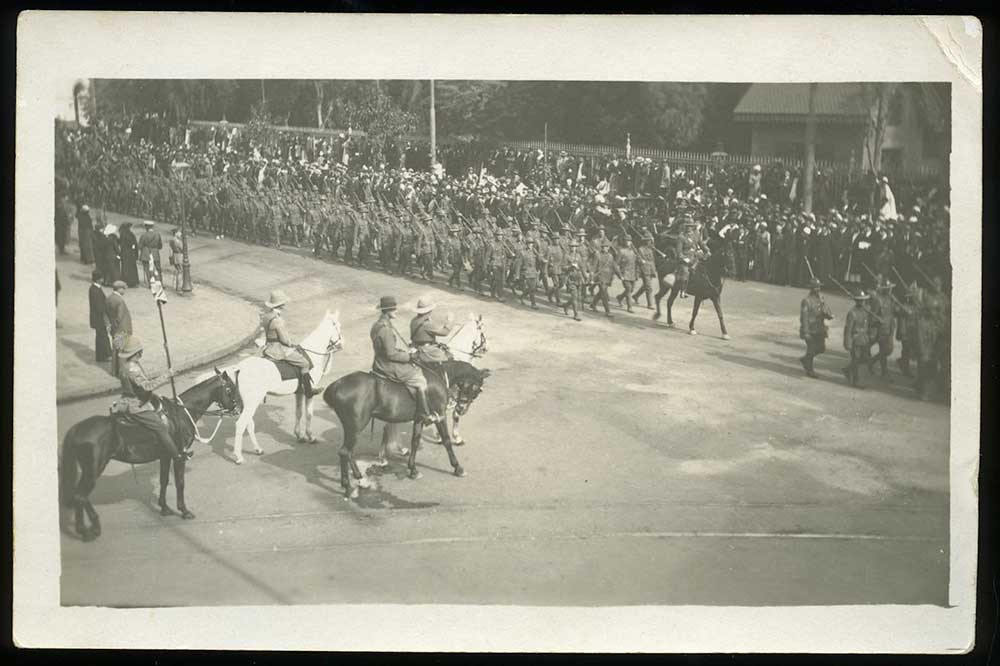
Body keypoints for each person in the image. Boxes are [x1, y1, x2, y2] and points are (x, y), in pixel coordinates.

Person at [112, 335, 185, 463]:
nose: (142, 352)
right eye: (140, 350)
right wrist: (167, 374)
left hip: (131, 397)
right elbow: (147, 386)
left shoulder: (126, 365)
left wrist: (165, 347)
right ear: (137, 352)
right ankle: (177, 456)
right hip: (137, 405)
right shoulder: (133, 369)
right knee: (160, 426)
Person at [371, 295, 439, 425]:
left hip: (379, 361)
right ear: (388, 311)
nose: (396, 311)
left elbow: (387, 349)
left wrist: (403, 352)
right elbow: (390, 354)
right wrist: (410, 356)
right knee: (420, 379)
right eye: (394, 309)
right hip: (387, 365)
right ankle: (425, 414)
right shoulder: (385, 329)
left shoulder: (377, 325)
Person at [260, 290, 320, 396]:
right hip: (278, 349)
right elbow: (284, 340)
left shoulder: (266, 316)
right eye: (283, 303)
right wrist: (291, 343)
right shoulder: (278, 320)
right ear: (281, 305)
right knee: (304, 363)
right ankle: (307, 390)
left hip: (267, 346)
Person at [798, 278, 834, 378]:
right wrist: (806, 332)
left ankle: (805, 359)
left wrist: (828, 313)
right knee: (811, 349)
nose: (818, 289)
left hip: (819, 328)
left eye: (819, 287)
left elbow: (826, 311)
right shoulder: (806, 301)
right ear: (811, 289)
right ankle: (810, 370)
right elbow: (804, 318)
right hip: (810, 329)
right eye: (816, 287)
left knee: (821, 348)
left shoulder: (821, 299)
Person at [842, 289, 873, 389]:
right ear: (857, 301)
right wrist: (848, 342)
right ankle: (856, 381)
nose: (863, 301)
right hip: (855, 340)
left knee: (864, 359)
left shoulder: (866, 311)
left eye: (864, 300)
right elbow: (848, 329)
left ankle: (848, 370)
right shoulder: (852, 313)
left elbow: (868, 324)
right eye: (861, 300)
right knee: (856, 360)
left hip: (864, 339)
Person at [410, 296, 452, 364]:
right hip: (427, 350)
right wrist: (449, 321)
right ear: (429, 311)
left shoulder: (414, 320)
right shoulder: (427, 324)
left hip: (415, 347)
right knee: (448, 358)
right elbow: (445, 332)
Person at [869, 277, 897, 380]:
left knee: (886, 350)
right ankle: (882, 370)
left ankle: (877, 366)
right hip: (880, 330)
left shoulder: (891, 300)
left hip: (888, 328)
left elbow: (892, 315)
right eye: (888, 288)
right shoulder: (877, 300)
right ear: (884, 289)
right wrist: (878, 320)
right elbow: (872, 317)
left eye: (890, 288)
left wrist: (892, 327)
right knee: (886, 349)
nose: (890, 290)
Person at [105, 280, 132, 377]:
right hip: (121, 328)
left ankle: (114, 371)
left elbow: (106, 314)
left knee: (115, 350)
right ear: (119, 289)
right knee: (122, 351)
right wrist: (117, 327)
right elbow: (119, 317)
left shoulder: (109, 298)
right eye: (123, 289)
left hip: (114, 328)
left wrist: (110, 325)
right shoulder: (120, 301)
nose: (124, 291)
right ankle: (122, 373)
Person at [89, 270, 112, 363]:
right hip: (99, 318)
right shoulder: (96, 290)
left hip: (96, 318)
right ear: (98, 279)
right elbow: (100, 307)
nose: (103, 280)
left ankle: (100, 356)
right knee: (103, 336)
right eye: (102, 278)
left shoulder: (93, 288)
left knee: (99, 337)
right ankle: (107, 355)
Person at [615, 236, 638, 313]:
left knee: (631, 289)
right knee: (628, 289)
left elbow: (636, 263)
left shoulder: (634, 251)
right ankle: (630, 307)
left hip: (632, 273)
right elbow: (616, 264)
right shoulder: (621, 251)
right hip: (625, 273)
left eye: (629, 241)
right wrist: (620, 275)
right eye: (627, 241)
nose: (628, 242)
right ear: (624, 242)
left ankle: (620, 297)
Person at [138, 220, 163, 286]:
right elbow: (160, 246)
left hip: (146, 253)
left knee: (147, 269)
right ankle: (160, 283)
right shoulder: (157, 234)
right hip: (155, 253)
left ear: (146, 227)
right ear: (152, 227)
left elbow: (140, 246)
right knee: (158, 269)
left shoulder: (144, 235)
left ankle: (151, 284)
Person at [118, 222, 140, 287]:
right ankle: (133, 282)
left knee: (125, 268)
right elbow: (134, 245)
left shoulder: (122, 235)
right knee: (132, 268)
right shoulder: (131, 235)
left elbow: (120, 244)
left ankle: (125, 281)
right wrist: (136, 254)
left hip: (124, 253)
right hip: (131, 253)